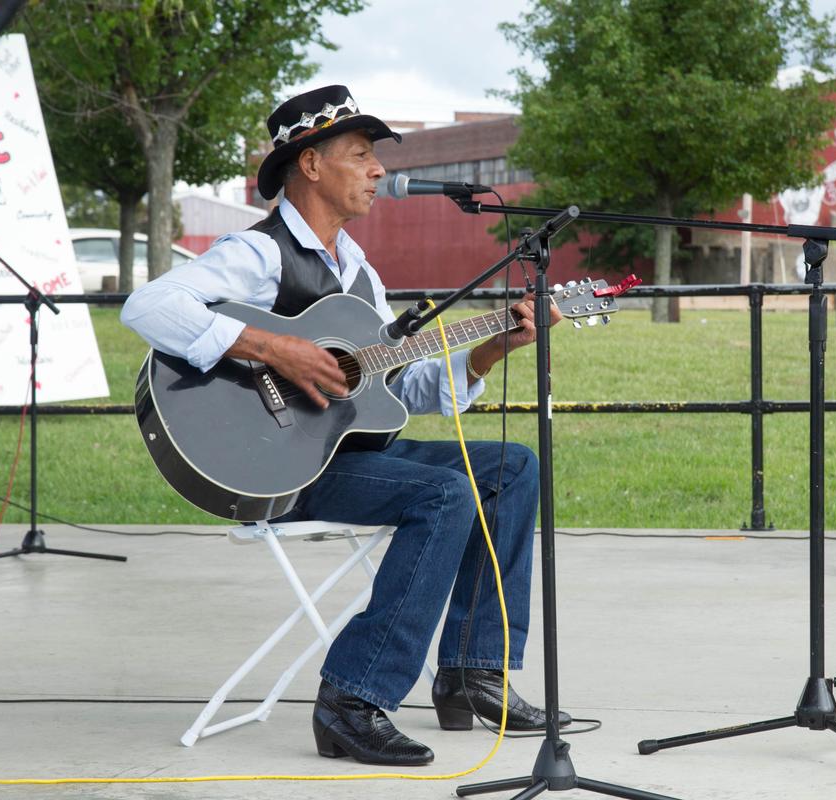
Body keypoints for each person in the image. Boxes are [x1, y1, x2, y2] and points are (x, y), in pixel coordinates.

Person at [121, 85, 567, 766]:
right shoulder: (260, 253)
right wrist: (275, 348)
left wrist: (494, 346)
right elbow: (148, 306)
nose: (379, 169)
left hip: (347, 452)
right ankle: (352, 701)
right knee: (443, 494)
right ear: (310, 164)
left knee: (512, 467)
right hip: (280, 462)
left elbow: (402, 389)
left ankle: (472, 671)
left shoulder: (357, 272)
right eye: (360, 154)